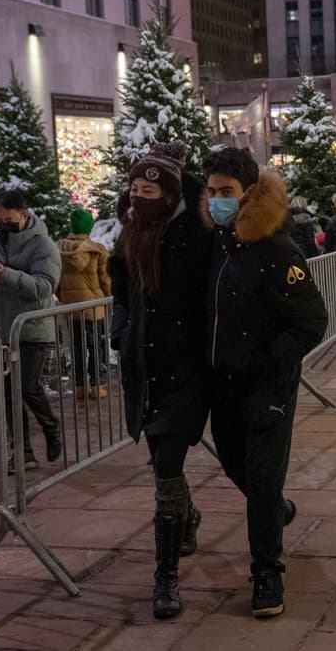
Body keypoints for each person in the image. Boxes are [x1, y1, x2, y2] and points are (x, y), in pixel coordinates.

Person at [205, 147, 328, 619]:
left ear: (249, 192)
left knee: (260, 479)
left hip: (267, 386)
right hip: (224, 385)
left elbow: (311, 320)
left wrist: (266, 362)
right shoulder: (214, 244)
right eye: (212, 192)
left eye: (227, 192)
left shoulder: (276, 248)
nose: (218, 200)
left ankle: (266, 573)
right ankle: (275, 511)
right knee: (238, 464)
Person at [108, 142, 213, 620]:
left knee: (167, 466)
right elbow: (122, 290)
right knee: (162, 465)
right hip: (145, 370)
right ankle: (185, 516)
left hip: (187, 370)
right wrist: (122, 330)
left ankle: (165, 578)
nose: (140, 197)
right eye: (134, 188)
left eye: (150, 189)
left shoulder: (195, 234)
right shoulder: (130, 235)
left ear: (170, 194)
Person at [0, 189, 63, 473]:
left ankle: (50, 425)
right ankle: (22, 453)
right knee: (8, 392)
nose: (3, 225)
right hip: (0, 329)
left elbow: (44, 287)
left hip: (31, 327)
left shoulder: (43, 245)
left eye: (8, 220)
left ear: (24, 214)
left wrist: (5, 275)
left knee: (26, 386)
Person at [56, 207, 112, 401]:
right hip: (94, 308)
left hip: (71, 309)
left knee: (77, 348)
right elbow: (105, 280)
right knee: (97, 347)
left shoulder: (59, 250)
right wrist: (109, 297)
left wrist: (63, 297)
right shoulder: (97, 251)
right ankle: (98, 385)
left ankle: (80, 387)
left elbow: (56, 281)